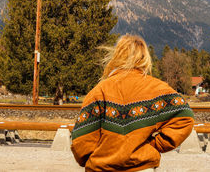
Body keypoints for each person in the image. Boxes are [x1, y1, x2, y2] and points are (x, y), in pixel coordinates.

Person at [71, 34, 194, 171]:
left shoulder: (99, 91)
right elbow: (185, 117)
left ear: (117, 56)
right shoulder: (158, 88)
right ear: (144, 58)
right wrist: (154, 146)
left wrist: (92, 158)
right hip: (142, 168)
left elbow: (81, 140)